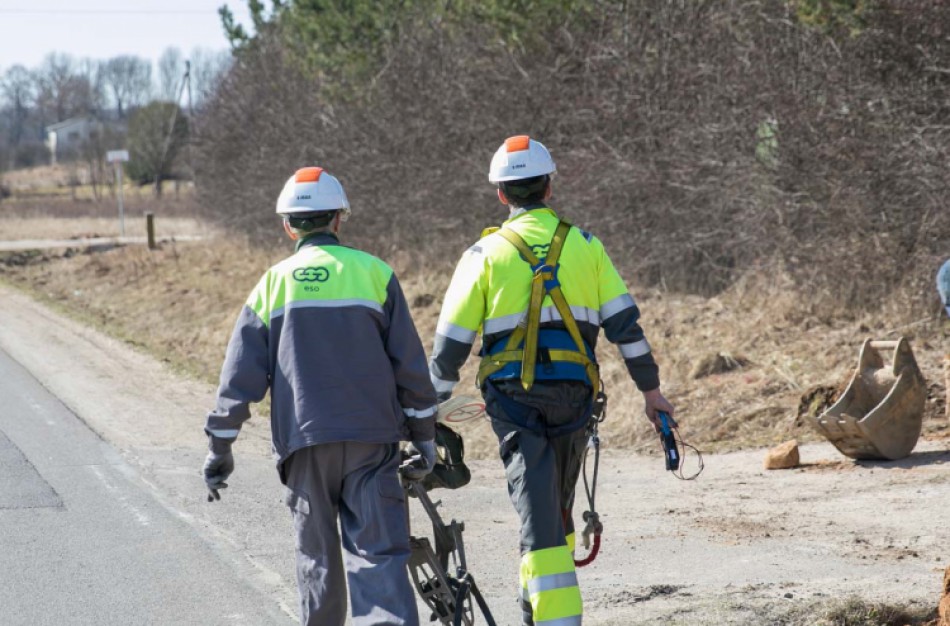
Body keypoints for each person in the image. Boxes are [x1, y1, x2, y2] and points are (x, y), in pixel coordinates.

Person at [429, 135, 675, 626]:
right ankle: (532, 610)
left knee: (540, 515)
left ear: (501, 193)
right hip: (576, 399)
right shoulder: (586, 246)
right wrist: (652, 394)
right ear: (549, 186)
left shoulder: (484, 254)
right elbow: (626, 328)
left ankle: (555, 617)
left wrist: (425, 408)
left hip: (514, 402)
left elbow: (450, 348)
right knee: (554, 508)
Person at [202, 166, 437, 626]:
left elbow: (238, 381)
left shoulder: (272, 285)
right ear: (338, 220)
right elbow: (410, 367)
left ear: (288, 225)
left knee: (318, 564)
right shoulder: (376, 274)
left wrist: (219, 449)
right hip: (372, 443)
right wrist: (424, 437)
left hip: (304, 445)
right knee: (377, 560)